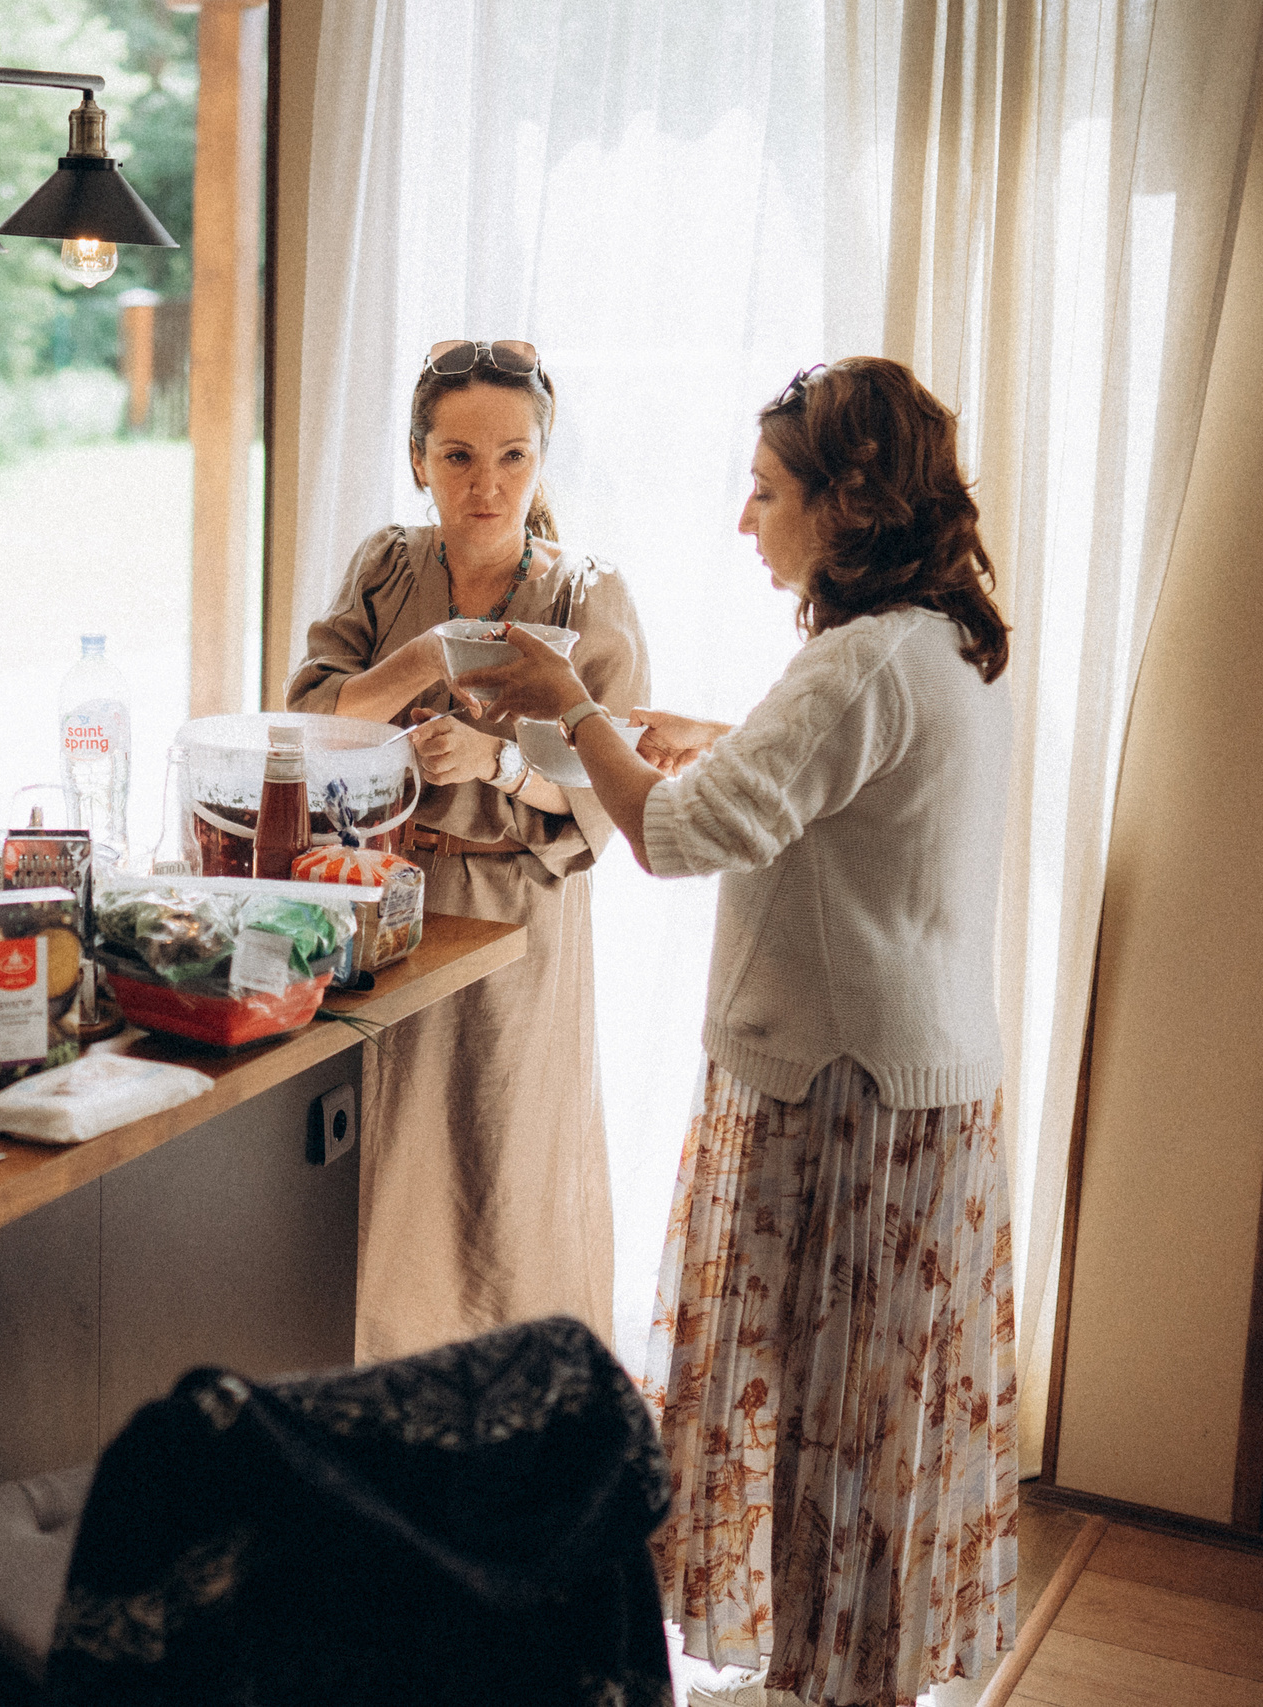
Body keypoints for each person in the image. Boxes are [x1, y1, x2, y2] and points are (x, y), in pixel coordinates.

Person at [457, 356, 1017, 1707]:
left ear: (849, 504)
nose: (742, 517)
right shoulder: (927, 640)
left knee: (830, 1420)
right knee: (876, 1422)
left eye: (766, 491)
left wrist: (576, 710)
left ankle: (832, 1682)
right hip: (912, 1081)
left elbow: (672, 831)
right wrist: (691, 732)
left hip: (846, 1095)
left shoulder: (856, 666)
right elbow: (817, 788)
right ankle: (847, 1676)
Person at [287, 338, 649, 1360]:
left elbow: (604, 797)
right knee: (386, 1166)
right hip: (384, 902)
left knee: (506, 1169)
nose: (485, 486)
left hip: (513, 918)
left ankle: (524, 1418)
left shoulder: (585, 597)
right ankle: (384, 1402)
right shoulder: (386, 566)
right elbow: (311, 710)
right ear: (418, 460)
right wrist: (421, 661)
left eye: (511, 458)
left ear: (541, 465)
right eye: (456, 457)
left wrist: (493, 763)